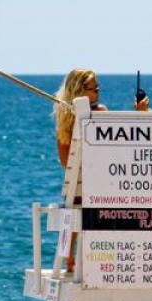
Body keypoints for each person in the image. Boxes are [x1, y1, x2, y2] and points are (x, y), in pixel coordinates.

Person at [53, 68, 107, 272]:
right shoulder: (100, 112)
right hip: (95, 188)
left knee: (73, 205)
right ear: (81, 91)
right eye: (94, 88)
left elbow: (65, 161)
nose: (98, 91)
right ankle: (90, 259)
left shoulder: (65, 120)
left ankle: (68, 260)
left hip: (74, 189)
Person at [54, 68, 107, 167]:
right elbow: (65, 161)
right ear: (79, 91)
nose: (98, 91)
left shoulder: (100, 111)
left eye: (98, 87)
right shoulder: (66, 123)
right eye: (94, 89)